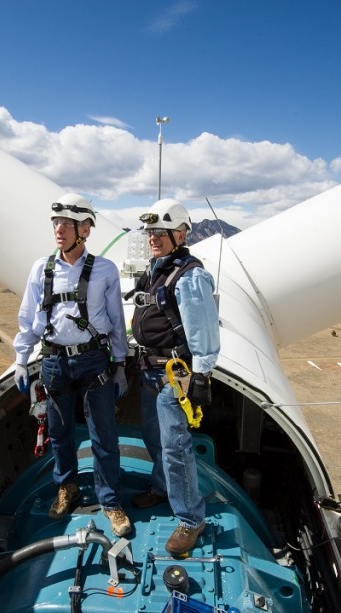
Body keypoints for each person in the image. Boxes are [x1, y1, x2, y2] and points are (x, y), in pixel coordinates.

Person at [13, 193, 131, 537]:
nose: (58, 230)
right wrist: (21, 359)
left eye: (66, 224)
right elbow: (29, 318)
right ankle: (68, 488)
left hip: (94, 361)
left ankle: (110, 502)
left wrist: (120, 364)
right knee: (60, 434)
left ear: (85, 230)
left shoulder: (105, 270)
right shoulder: (42, 268)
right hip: (54, 363)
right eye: (56, 223)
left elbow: (115, 318)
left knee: (104, 436)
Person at [128, 198, 219, 556]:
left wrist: (201, 376)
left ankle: (190, 518)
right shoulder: (157, 269)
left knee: (175, 445)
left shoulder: (190, 275)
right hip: (151, 370)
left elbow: (204, 331)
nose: (154, 238)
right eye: (151, 232)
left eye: (162, 233)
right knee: (154, 434)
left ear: (180, 234)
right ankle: (163, 486)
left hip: (176, 374)